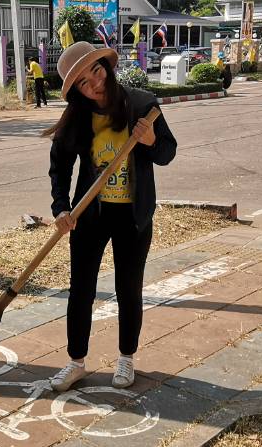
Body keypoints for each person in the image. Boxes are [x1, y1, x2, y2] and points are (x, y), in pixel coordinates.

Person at [45, 41, 178, 392]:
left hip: (132, 216)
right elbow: (59, 166)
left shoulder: (141, 105)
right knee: (81, 290)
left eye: (97, 71)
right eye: (83, 83)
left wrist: (149, 139)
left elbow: (167, 152)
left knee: (128, 289)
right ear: (76, 91)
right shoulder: (78, 117)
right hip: (90, 215)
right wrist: (61, 207)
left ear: (106, 65)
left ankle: (126, 358)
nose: (95, 84)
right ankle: (75, 362)